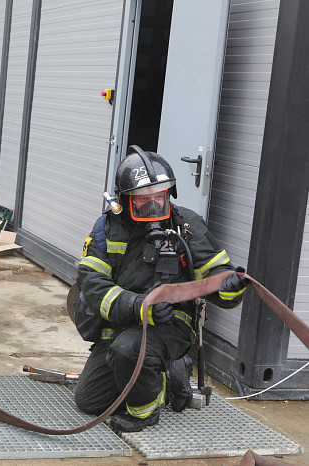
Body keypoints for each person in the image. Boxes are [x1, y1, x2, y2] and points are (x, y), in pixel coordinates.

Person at [74, 146, 248, 432]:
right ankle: (163, 375)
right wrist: (138, 306)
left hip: (170, 325)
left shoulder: (187, 226)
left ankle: (144, 414)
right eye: (143, 199)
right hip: (123, 322)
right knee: (89, 400)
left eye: (159, 196)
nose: (153, 205)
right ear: (124, 199)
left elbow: (217, 275)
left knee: (129, 349)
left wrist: (229, 285)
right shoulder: (107, 229)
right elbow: (92, 286)